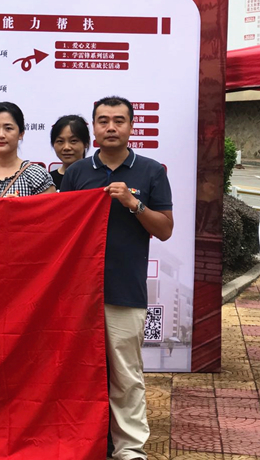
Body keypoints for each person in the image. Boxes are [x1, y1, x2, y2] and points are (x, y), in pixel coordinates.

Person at [61, 96, 173, 460]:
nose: (111, 127)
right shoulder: (77, 173)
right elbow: (59, 227)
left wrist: (134, 203)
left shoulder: (151, 171)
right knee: (77, 372)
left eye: (119, 120)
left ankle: (129, 448)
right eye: (103, 120)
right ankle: (82, 440)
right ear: (93, 127)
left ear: (131, 126)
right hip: (78, 293)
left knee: (125, 373)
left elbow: (165, 229)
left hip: (125, 289)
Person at [49, 114, 90, 191]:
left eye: (73, 141)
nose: (66, 147)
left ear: (86, 143)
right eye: (60, 141)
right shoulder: (47, 181)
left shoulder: (97, 177)